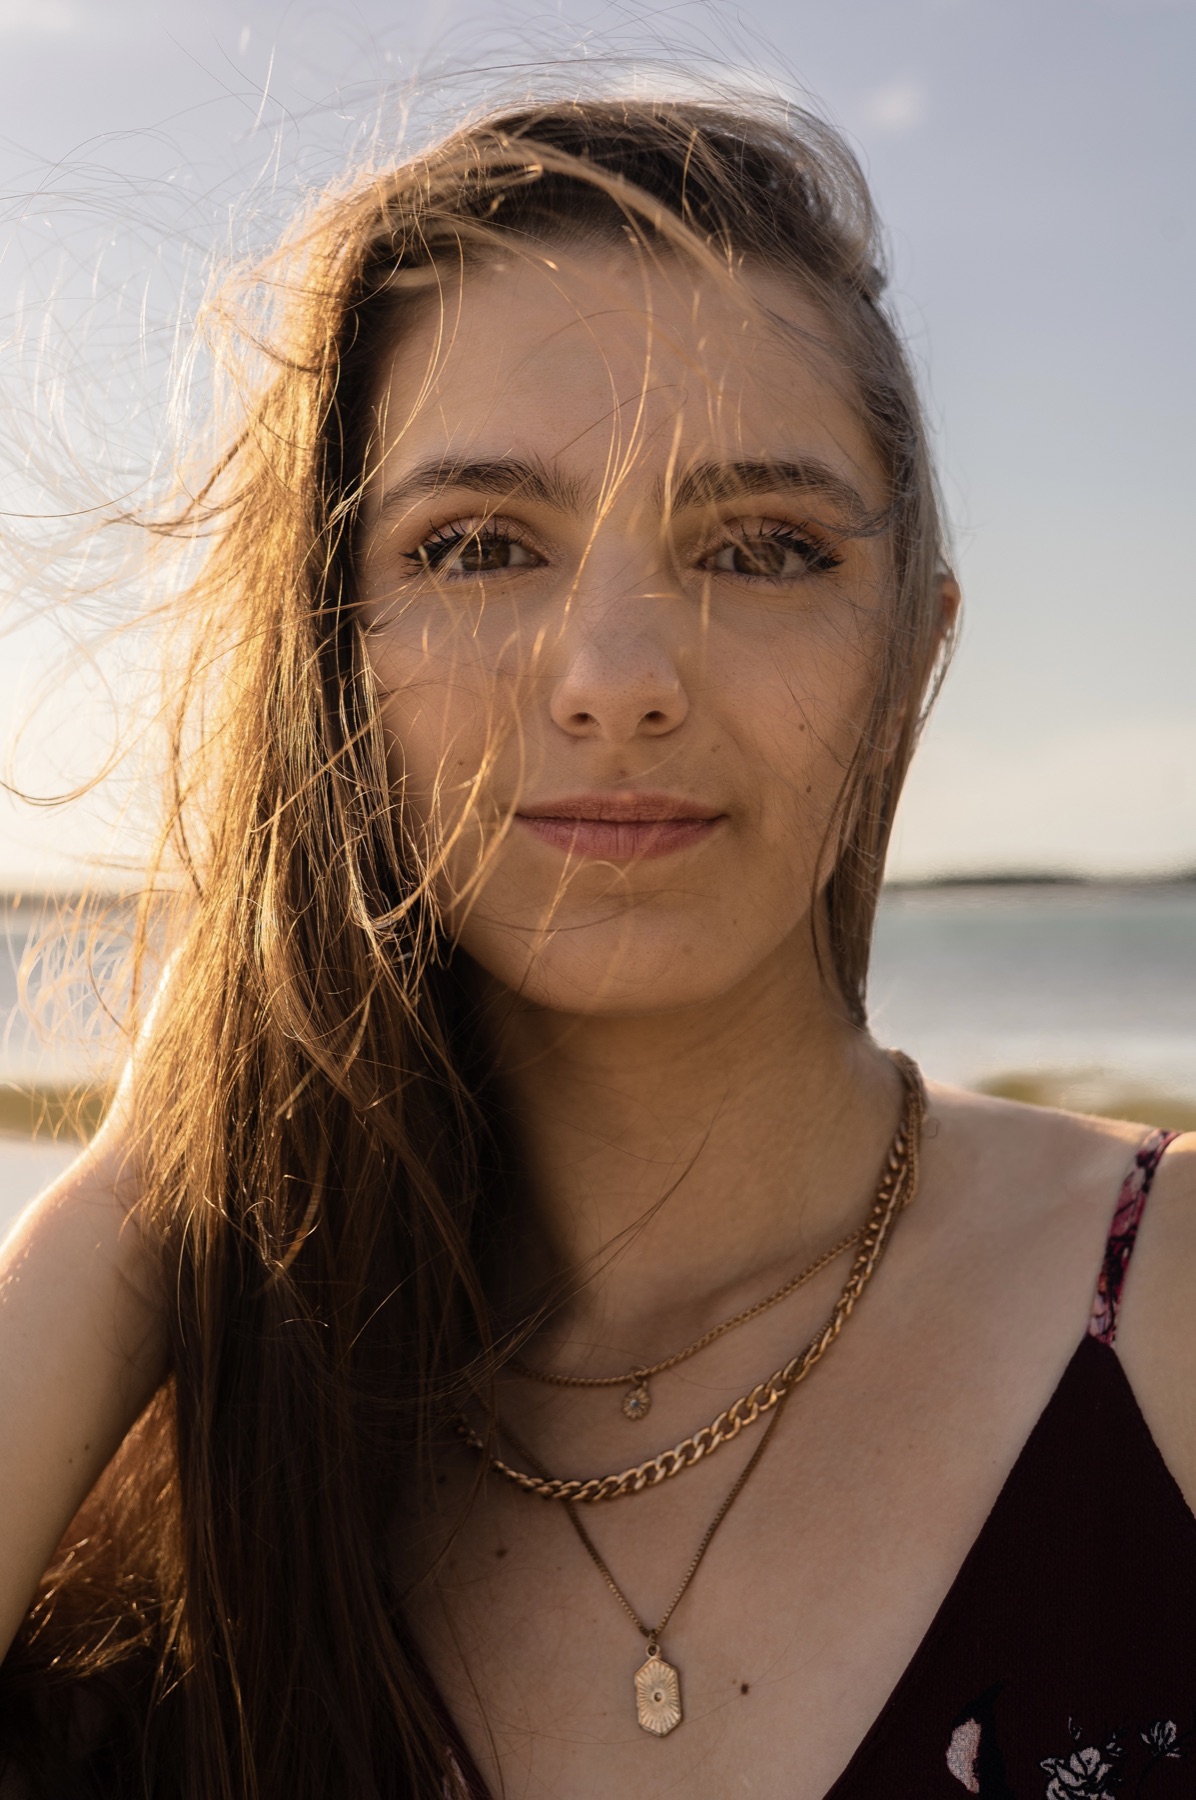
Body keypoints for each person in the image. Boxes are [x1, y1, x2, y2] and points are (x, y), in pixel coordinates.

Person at [0, 93, 1193, 1800]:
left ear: (911, 660)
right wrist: (143, 1188)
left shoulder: (1165, 1308)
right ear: (332, 663)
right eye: (480, 546)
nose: (615, 674)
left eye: (762, 547)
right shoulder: (182, 1454)